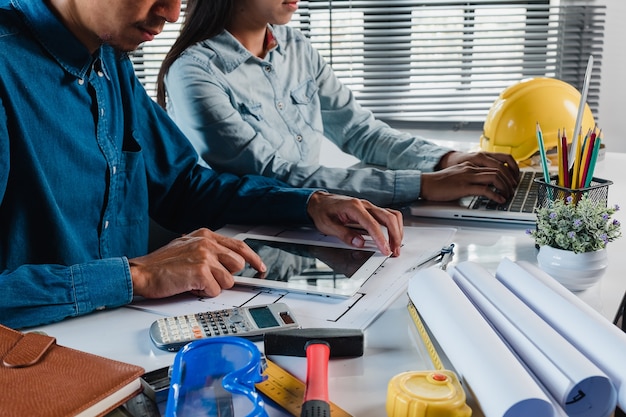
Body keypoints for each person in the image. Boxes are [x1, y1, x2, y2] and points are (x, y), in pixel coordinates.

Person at [0, 0, 403, 330]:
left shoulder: (109, 58)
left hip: (124, 337)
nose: (174, 13)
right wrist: (137, 275)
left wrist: (309, 204)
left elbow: (183, 187)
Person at [156, 0, 521, 208]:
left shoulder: (294, 46)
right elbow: (273, 175)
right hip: (239, 241)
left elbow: (359, 130)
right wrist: (423, 184)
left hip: (311, 222)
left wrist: (446, 160)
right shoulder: (193, 73)